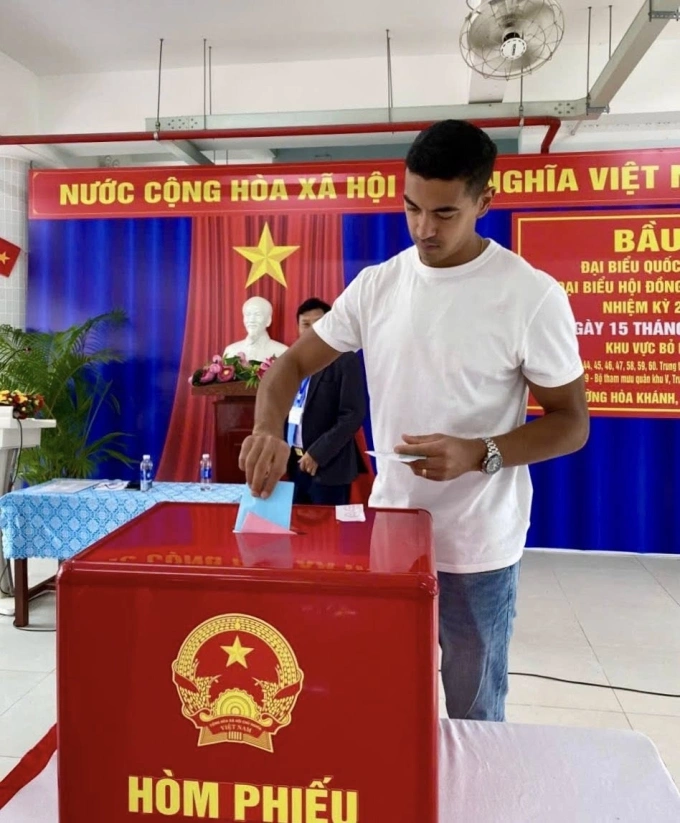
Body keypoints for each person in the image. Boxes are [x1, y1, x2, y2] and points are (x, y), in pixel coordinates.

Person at [239, 120, 589, 722]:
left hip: (477, 545)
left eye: (445, 213)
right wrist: (268, 430)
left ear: (484, 202)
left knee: (475, 714)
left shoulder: (530, 295)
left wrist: (479, 452)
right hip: (394, 531)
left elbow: (571, 424)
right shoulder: (379, 286)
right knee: (387, 703)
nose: (424, 228)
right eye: (412, 208)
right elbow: (289, 364)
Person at [285, 298, 366, 506]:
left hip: (328, 467)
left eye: (319, 323)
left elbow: (352, 415)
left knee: (329, 527)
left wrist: (317, 454)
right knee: (295, 524)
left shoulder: (344, 359)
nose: (312, 330)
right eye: (305, 324)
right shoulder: (291, 361)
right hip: (295, 464)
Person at [223, 296, 288, 362]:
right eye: (248, 314)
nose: (251, 320)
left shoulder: (282, 352)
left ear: (268, 320)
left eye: (257, 315)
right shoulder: (231, 351)